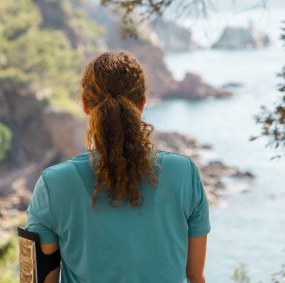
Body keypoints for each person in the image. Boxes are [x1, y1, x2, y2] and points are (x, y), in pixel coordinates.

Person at [24, 51, 211, 283]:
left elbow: (34, 279)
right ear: (142, 104)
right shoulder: (184, 174)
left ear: (85, 104)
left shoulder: (52, 185)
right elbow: (195, 276)